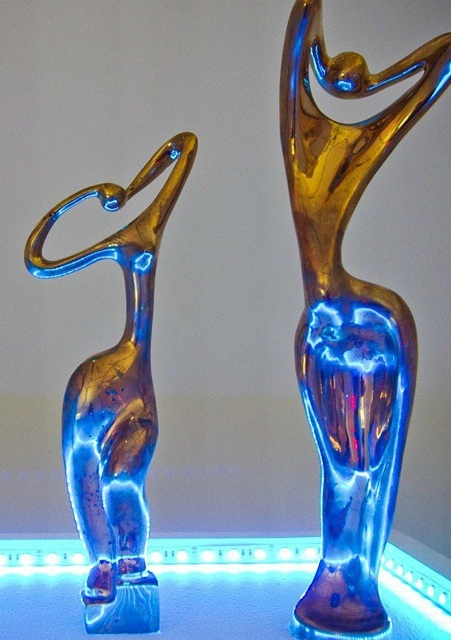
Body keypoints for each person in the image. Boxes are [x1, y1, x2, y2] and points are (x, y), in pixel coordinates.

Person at [280, 0, 451, 635]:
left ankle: (356, 580)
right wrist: (337, 69)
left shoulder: (362, 136)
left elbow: (441, 58)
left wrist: (376, 81)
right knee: (342, 469)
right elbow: (301, 34)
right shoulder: (303, 135)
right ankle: (341, 577)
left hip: (354, 323)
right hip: (323, 319)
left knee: (365, 467)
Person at [26, 132, 197, 604]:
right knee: (86, 478)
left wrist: (128, 189)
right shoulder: (126, 236)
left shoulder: (148, 223)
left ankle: (129, 560)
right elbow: (38, 261)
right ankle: (103, 561)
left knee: (122, 478)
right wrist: (97, 197)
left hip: (131, 388)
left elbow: (184, 146)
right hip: (96, 388)